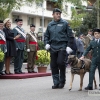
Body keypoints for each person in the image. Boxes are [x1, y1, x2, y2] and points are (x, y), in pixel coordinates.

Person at [44, 8, 74, 89]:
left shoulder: (65, 23)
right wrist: (46, 43)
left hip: (62, 46)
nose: (58, 15)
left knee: (60, 63)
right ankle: (56, 82)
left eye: (59, 14)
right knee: (53, 65)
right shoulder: (50, 24)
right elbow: (46, 36)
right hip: (53, 46)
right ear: (53, 15)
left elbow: (70, 35)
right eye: (57, 14)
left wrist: (69, 46)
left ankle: (62, 81)